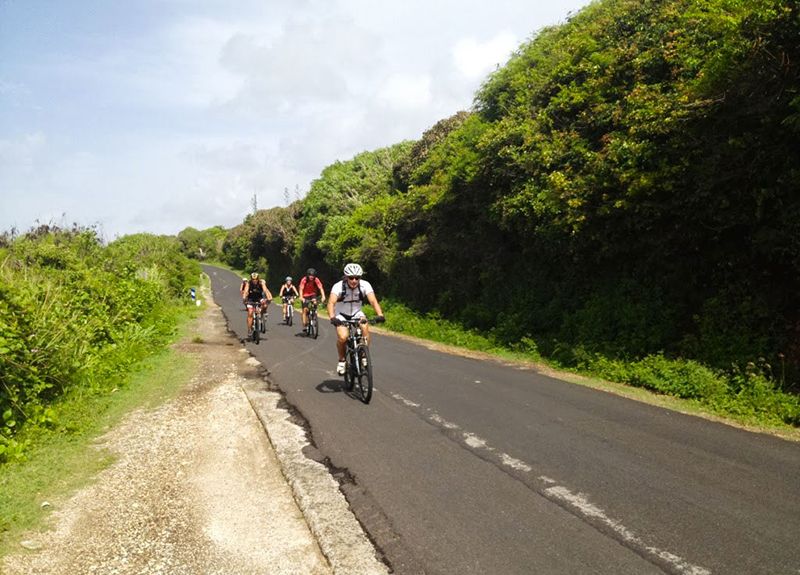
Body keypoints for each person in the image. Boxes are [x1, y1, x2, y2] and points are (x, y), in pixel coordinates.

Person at [327, 263, 384, 375]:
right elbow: (331, 302)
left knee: (365, 327)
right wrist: (332, 317)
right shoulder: (338, 286)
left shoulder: (365, 285)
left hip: (357, 313)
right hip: (341, 314)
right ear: (346, 277)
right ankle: (342, 360)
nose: (354, 280)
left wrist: (380, 314)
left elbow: (373, 301)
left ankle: (363, 355)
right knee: (343, 337)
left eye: (357, 278)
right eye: (351, 278)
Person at [243, 272, 273, 336]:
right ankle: (249, 329)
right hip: (250, 299)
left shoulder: (261, 283)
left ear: (258, 279)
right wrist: (244, 298)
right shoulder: (248, 283)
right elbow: (245, 291)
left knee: (265, 306)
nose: (254, 281)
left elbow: (265, 290)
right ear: (251, 279)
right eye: (253, 279)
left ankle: (261, 316)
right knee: (250, 313)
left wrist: (268, 298)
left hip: (259, 298)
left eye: (256, 279)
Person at [298, 268, 326, 334]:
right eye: (310, 275)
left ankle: (314, 315)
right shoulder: (304, 279)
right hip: (305, 295)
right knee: (305, 309)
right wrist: (301, 297)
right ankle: (305, 324)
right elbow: (301, 289)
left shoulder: (316, 279)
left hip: (313, 294)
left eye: (313, 275)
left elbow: (321, 288)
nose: (311, 277)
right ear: (307, 275)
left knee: (314, 302)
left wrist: (323, 296)